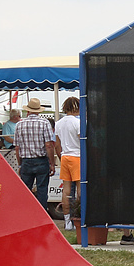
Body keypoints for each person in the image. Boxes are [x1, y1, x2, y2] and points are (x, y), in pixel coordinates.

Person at [14, 98, 57, 213]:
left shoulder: (19, 124)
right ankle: (42, 214)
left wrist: (19, 164)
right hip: (41, 160)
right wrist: (52, 163)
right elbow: (49, 145)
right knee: (42, 189)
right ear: (39, 111)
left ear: (28, 111)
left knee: (25, 190)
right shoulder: (45, 123)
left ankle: (25, 213)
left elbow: (17, 147)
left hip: (26, 161)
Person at [55, 97, 82, 230]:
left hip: (65, 156)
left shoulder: (58, 123)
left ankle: (67, 221)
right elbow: (82, 140)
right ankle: (80, 216)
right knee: (80, 189)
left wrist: (61, 157)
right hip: (77, 156)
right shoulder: (78, 123)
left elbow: (57, 144)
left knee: (66, 190)